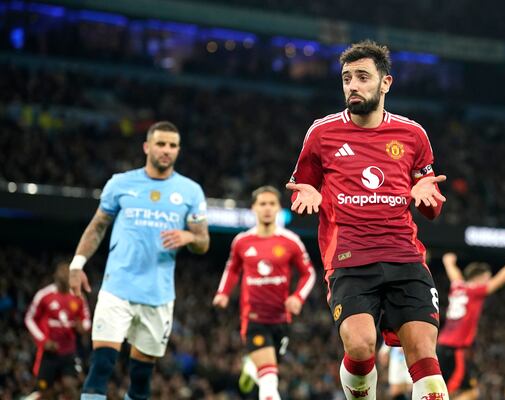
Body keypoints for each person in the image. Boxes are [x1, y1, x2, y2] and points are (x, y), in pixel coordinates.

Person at [286, 39, 449, 400]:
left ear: (385, 83)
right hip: (350, 259)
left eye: (362, 76)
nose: (353, 86)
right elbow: (302, 185)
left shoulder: (412, 134)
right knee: (360, 348)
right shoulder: (322, 133)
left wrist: (427, 197)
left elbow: (431, 203)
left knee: (424, 352)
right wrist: (306, 191)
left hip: (405, 258)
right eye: (347, 78)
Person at [68, 121, 210, 400]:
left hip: (158, 295)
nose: (166, 150)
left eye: (172, 145)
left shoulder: (191, 191)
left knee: (141, 378)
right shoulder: (120, 183)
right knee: (101, 366)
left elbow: (204, 242)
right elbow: (97, 226)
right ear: (147, 146)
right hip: (116, 290)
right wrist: (76, 264)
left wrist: (190, 238)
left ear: (178, 150)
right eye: (160, 144)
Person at [213, 186, 316, 400]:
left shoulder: (290, 241)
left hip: (281, 318)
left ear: (278, 208)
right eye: (262, 204)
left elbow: (309, 273)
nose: (267, 208)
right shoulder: (242, 241)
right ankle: (257, 370)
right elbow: (232, 269)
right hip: (253, 319)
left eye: (271, 204)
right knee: (270, 380)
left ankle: (251, 367)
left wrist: (297, 297)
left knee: (268, 368)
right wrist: (223, 293)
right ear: (254, 208)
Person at [437, 248, 505, 399]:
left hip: (442, 346)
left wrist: (448, 262)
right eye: (487, 278)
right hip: (455, 349)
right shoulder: (475, 291)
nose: (488, 281)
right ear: (478, 278)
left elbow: (454, 275)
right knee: (464, 393)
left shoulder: (458, 287)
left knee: (447, 390)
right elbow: (502, 278)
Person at [25, 261, 91, 400]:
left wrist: (82, 327)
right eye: (61, 276)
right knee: (46, 392)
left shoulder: (78, 297)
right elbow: (29, 319)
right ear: (56, 277)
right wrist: (43, 341)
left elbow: (86, 320)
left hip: (69, 352)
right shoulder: (44, 295)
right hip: (49, 353)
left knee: (70, 386)